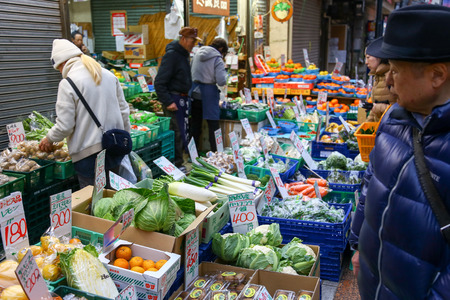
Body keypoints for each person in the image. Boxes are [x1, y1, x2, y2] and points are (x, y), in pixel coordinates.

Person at [349, 4, 450, 299]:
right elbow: (371, 183)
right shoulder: (393, 119)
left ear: (437, 75)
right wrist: (358, 245)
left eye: (395, 70)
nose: (388, 81)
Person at [39, 39, 131, 188]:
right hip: (114, 147)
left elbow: (65, 126)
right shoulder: (108, 75)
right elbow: (124, 111)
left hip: (89, 156)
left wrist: (49, 139)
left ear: (62, 63)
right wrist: (125, 136)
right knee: (114, 197)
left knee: (93, 203)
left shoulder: (68, 83)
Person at [154, 27, 201, 169]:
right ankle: (176, 165)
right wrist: (168, 101)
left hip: (182, 99)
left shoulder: (184, 54)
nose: (193, 44)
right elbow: (159, 82)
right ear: (183, 39)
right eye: (192, 41)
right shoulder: (172, 55)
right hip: (173, 99)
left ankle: (181, 161)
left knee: (183, 131)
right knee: (177, 132)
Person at [190, 38, 228, 152]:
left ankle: (192, 154)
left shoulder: (197, 53)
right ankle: (216, 153)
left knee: (195, 125)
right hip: (209, 94)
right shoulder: (217, 59)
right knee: (213, 126)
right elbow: (221, 81)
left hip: (194, 92)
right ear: (221, 49)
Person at [364, 37, 396, 122]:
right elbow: (374, 108)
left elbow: (400, 109)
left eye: (368, 57)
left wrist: (377, 107)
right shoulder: (378, 76)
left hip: (392, 130)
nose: (366, 62)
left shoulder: (391, 77)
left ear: (379, 57)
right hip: (381, 129)